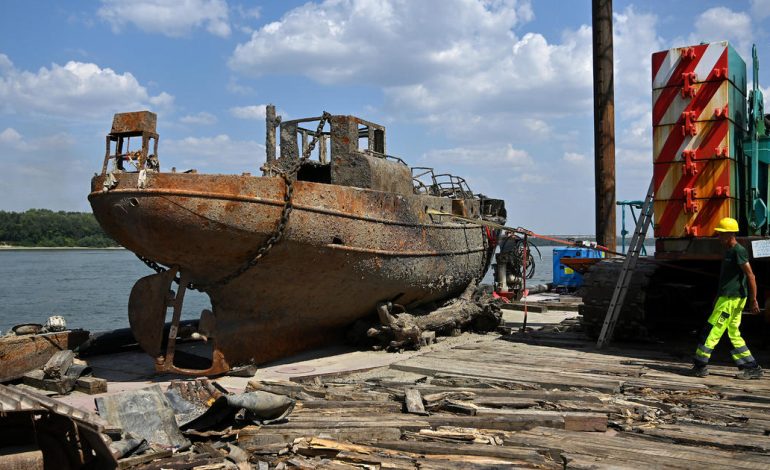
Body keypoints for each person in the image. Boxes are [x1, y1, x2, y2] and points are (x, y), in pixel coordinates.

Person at [692, 217, 763, 379]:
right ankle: (751, 367)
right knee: (733, 333)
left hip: (731, 300)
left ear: (731, 234)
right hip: (727, 298)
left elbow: (750, 276)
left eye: (721, 234)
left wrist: (753, 300)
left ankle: (699, 365)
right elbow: (727, 279)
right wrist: (718, 297)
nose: (719, 237)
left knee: (712, 331)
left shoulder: (738, 251)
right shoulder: (729, 251)